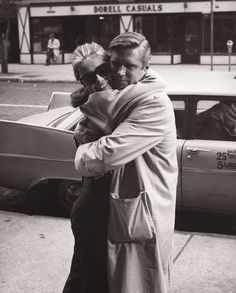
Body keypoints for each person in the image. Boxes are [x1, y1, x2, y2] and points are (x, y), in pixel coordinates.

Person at [64, 32, 178, 293]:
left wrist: (83, 148)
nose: (111, 75)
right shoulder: (104, 104)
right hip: (95, 210)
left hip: (131, 212)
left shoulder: (148, 102)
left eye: (104, 69)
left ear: (146, 68)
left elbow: (105, 154)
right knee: (86, 280)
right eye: (115, 64)